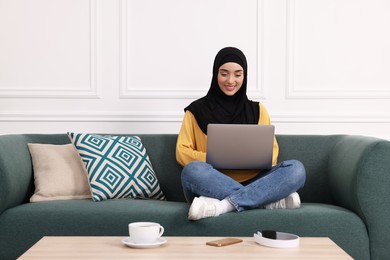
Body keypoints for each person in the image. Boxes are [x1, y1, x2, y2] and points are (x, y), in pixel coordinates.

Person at [176, 47, 306, 221]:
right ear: (215, 74)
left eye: (237, 74)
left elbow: (272, 154)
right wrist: (216, 158)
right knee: (192, 171)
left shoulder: (258, 110)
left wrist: (250, 159)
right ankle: (262, 201)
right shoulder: (195, 111)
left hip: (256, 180)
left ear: (244, 76)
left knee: (296, 169)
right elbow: (182, 152)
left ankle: (223, 206)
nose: (231, 80)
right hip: (211, 184)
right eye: (224, 74)